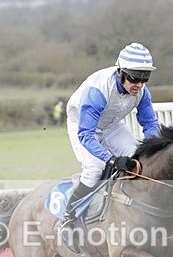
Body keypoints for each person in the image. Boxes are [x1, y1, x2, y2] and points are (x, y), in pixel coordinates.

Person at [58, 42, 160, 230]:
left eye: (145, 78)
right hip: (83, 128)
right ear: (120, 72)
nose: (139, 84)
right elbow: (86, 136)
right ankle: (67, 217)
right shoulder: (97, 91)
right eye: (135, 78)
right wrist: (111, 160)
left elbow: (150, 124)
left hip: (112, 126)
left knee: (139, 161)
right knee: (95, 168)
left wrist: (152, 149)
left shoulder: (142, 92)